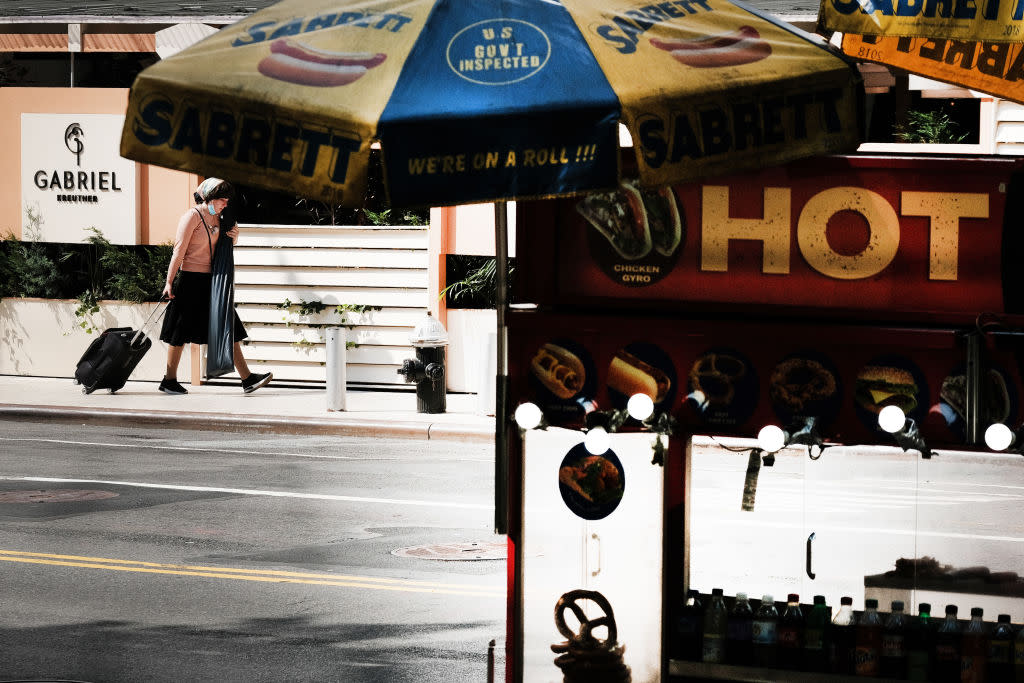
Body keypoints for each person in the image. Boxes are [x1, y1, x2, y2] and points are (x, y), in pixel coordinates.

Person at [158, 177, 272, 395]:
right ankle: (169, 380)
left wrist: (235, 237)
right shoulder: (192, 216)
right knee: (179, 331)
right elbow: (178, 251)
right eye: (221, 200)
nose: (225, 204)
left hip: (214, 281)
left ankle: (247, 379)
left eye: (227, 201)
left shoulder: (222, 219)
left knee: (228, 326)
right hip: (190, 280)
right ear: (209, 197)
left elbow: (224, 247)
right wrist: (169, 282)